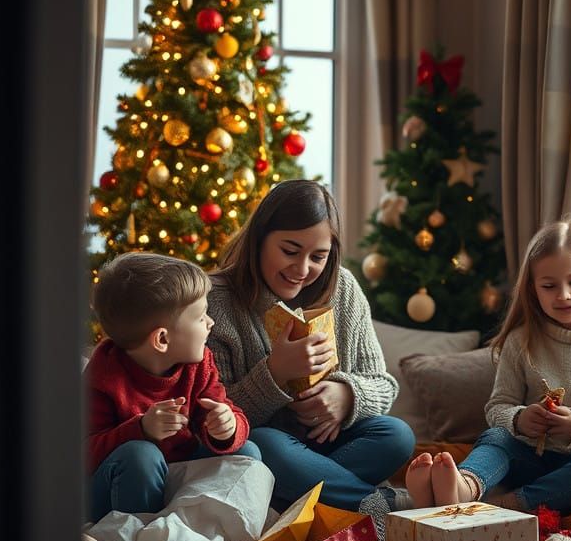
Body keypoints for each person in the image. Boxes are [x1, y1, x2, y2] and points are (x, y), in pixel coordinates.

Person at [206, 179, 415, 520]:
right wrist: (275, 374)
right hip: (266, 449)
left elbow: (383, 383)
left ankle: (298, 501)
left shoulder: (343, 288)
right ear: (260, 240)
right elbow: (215, 418)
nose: (302, 270)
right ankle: (380, 508)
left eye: (318, 256)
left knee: (396, 435)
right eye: (289, 251)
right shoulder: (217, 301)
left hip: (327, 444)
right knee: (264, 445)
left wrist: (346, 396)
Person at [406, 217, 571, 515]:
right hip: (531, 458)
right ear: (533, 290)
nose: (564, 294)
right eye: (549, 286)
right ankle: (464, 486)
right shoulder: (522, 341)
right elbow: (497, 408)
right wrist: (519, 419)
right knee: (496, 438)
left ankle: (507, 506)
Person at [86, 252, 260, 522]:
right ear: (162, 339)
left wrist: (226, 426)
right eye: (201, 316)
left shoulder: (198, 363)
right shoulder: (103, 376)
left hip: (175, 472)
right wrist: (141, 430)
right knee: (141, 455)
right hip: (117, 490)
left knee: (247, 451)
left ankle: (214, 535)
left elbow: (223, 409)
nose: (210, 323)